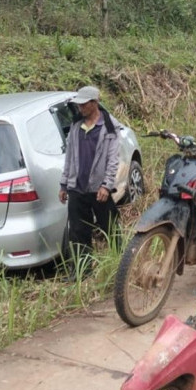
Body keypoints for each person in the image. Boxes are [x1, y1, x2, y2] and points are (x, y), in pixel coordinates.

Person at [59, 86, 121, 273]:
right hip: (77, 188)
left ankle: (121, 267)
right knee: (77, 233)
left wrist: (106, 185)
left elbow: (113, 159)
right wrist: (64, 184)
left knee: (110, 228)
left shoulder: (109, 126)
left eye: (84, 104)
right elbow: (69, 157)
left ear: (95, 103)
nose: (80, 108)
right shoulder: (77, 127)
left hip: (99, 189)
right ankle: (82, 272)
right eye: (78, 105)